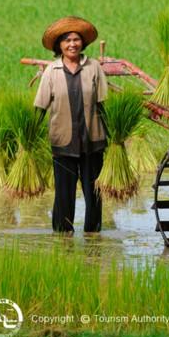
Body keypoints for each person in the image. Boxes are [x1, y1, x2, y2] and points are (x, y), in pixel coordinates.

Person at [34, 16, 108, 233]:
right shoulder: (51, 71)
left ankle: (93, 237)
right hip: (62, 144)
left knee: (94, 195)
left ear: (82, 43)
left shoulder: (93, 68)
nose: (72, 44)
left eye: (76, 39)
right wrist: (28, 140)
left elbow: (103, 105)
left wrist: (114, 139)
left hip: (92, 143)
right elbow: (39, 107)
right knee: (63, 196)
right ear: (59, 46)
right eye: (67, 40)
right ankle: (62, 236)